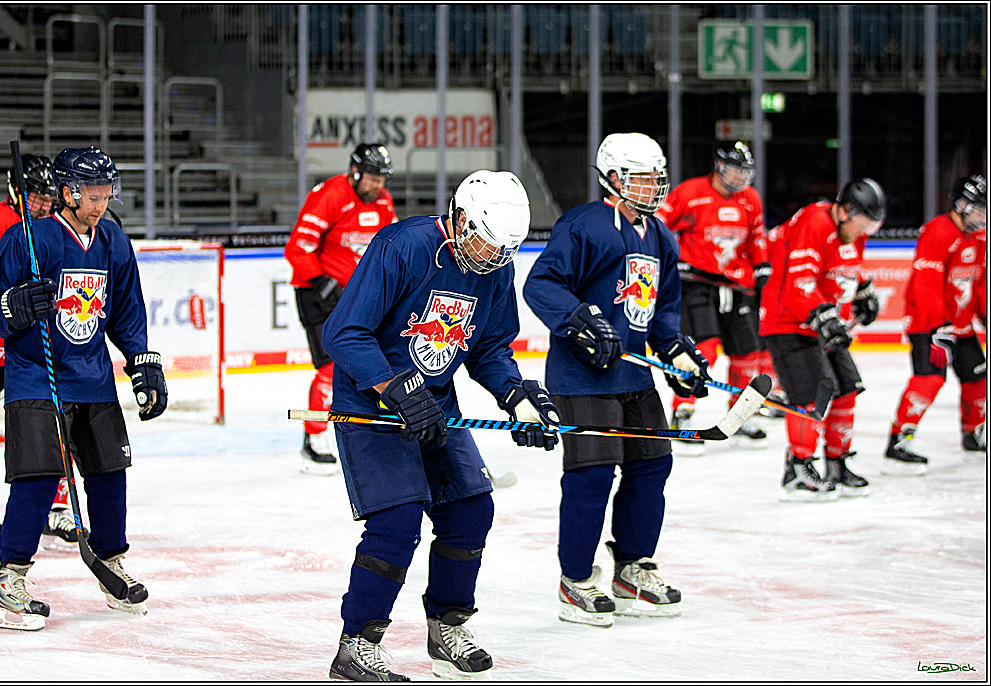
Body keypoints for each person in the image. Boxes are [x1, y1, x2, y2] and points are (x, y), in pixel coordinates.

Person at [321, 170, 560, 680]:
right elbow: (342, 333)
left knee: (472, 506)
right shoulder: (404, 246)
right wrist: (393, 386)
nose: (493, 259)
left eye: (504, 251)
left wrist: (517, 396)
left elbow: (492, 348)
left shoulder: (494, 265)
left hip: (434, 402)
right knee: (398, 520)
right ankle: (357, 642)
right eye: (486, 242)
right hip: (370, 403)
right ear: (460, 216)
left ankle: (446, 623)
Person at [524, 133, 711, 627]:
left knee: (652, 468)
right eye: (642, 178)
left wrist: (678, 351)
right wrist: (580, 318)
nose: (653, 187)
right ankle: (575, 580)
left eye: (656, 177)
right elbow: (541, 283)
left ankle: (632, 568)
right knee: (593, 474)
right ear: (612, 178)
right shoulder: (583, 225)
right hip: (581, 377)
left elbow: (662, 310)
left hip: (635, 377)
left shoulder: (661, 236)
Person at [0, 146, 168, 630]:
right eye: (94, 194)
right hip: (36, 376)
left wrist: (143, 362)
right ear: (68, 192)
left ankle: (111, 560)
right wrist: (18, 304)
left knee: (109, 472)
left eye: (108, 193)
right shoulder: (28, 239)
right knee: (38, 477)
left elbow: (126, 314)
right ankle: (10, 579)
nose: (102, 203)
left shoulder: (113, 241)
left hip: (93, 377)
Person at [0, 154, 80, 549]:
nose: (43, 204)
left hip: (33, 355)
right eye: (34, 196)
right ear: (15, 189)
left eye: (48, 197)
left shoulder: (55, 229)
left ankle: (54, 507)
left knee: (50, 431)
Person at [759, 178, 887, 502]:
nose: (863, 233)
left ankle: (836, 463)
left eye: (870, 228)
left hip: (819, 323)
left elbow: (846, 269)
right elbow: (800, 281)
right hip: (787, 321)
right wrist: (825, 316)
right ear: (844, 211)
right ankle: (797, 469)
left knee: (846, 388)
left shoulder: (851, 232)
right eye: (861, 224)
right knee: (813, 395)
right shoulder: (815, 221)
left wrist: (863, 292)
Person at [284, 143, 397, 475]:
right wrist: (321, 283)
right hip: (316, 293)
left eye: (383, 179)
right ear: (356, 172)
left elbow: (391, 246)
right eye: (373, 178)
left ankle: (367, 428)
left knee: (372, 363)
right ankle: (313, 439)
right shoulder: (330, 195)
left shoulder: (384, 202)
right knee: (331, 369)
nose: (378, 185)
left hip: (358, 297)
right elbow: (298, 248)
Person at [654, 141, 770, 455]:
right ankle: (682, 413)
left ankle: (741, 414)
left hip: (736, 285)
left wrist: (761, 266)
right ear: (718, 166)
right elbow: (659, 226)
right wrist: (670, 258)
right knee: (701, 348)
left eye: (744, 171)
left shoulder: (750, 200)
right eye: (734, 169)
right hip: (697, 282)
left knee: (748, 353)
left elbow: (757, 236)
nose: (739, 177)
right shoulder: (691, 192)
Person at [884, 174, 987, 474]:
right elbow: (925, 284)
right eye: (979, 208)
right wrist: (937, 327)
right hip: (929, 325)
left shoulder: (979, 237)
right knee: (928, 381)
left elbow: (978, 282)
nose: (983, 215)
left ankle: (973, 432)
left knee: (977, 380)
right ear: (961, 204)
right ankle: (898, 440)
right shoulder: (938, 231)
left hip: (962, 326)